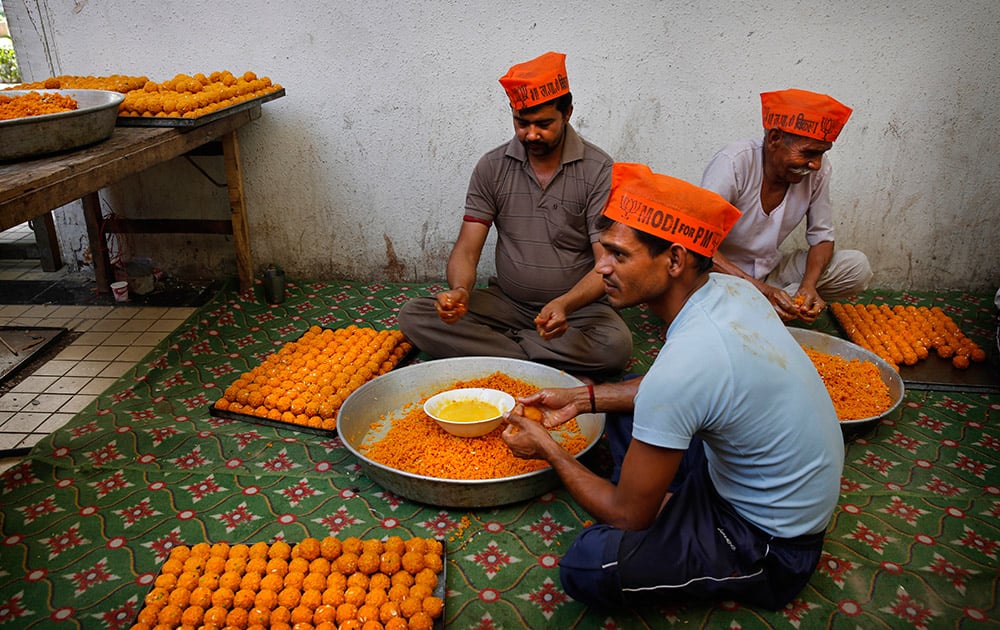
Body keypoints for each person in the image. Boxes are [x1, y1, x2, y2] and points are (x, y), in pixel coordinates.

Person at [501, 163, 845, 611]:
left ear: (676, 260)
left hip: (769, 544)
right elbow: (674, 388)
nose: (600, 268)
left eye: (618, 256)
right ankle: (661, 498)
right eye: (604, 251)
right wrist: (582, 399)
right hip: (745, 480)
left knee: (589, 565)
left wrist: (548, 447)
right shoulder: (729, 290)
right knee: (626, 402)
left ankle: (662, 508)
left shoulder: (685, 366)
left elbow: (630, 515)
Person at [397, 51, 632, 379]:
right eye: (522, 123)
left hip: (577, 310)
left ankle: (502, 355)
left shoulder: (599, 170)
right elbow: (467, 248)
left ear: (567, 113)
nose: (531, 134)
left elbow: (605, 265)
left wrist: (565, 304)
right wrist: (461, 291)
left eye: (544, 124)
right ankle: (536, 358)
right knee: (415, 315)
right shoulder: (492, 167)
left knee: (615, 347)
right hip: (508, 305)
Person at [700, 88, 872, 323]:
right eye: (809, 153)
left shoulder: (817, 171)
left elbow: (822, 238)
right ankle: (761, 309)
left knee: (856, 267)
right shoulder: (734, 162)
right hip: (717, 275)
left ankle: (768, 307)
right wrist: (762, 291)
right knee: (708, 298)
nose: (815, 164)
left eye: (822, 153)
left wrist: (808, 286)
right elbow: (698, 244)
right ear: (774, 140)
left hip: (770, 273)